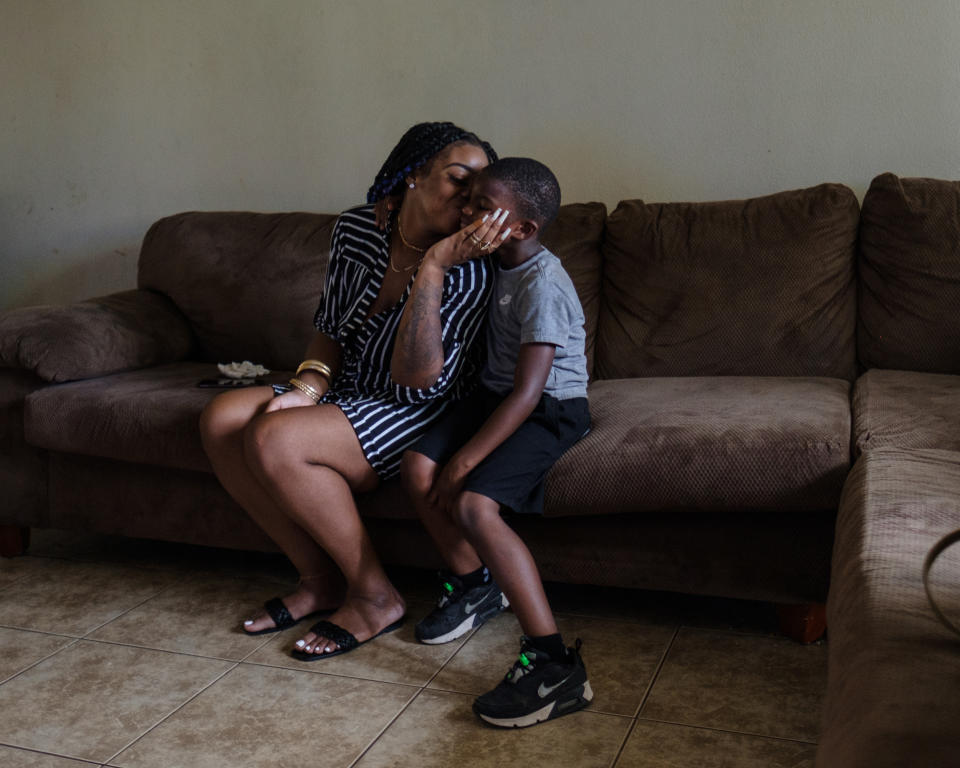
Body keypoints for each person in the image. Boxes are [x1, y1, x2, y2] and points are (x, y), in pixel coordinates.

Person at [199, 122, 509, 660]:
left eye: (479, 191)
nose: (469, 200)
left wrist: (434, 267)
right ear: (413, 175)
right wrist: (308, 385)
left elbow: (419, 381)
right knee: (222, 418)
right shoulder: (357, 231)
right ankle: (318, 580)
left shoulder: (471, 266)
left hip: (420, 405)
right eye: (459, 180)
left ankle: (375, 596)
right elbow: (331, 326)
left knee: (277, 437)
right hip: (349, 384)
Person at [401, 157, 593, 727]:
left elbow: (530, 393)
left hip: (549, 407)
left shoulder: (543, 283)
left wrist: (466, 460)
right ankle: (474, 584)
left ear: (523, 228)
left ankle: (556, 665)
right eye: (469, 201)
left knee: (472, 504)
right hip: (493, 395)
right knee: (415, 467)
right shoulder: (487, 263)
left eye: (482, 207)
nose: (466, 213)